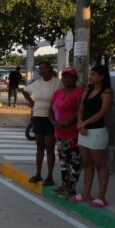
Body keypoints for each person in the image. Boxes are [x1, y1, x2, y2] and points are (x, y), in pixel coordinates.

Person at [73, 65, 113, 208]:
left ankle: (101, 197)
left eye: (94, 74)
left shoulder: (106, 92)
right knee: (87, 164)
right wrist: (80, 124)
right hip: (83, 131)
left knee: (100, 165)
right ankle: (86, 193)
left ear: (102, 77)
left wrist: (84, 123)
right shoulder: (88, 90)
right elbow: (81, 109)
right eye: (91, 74)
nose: (91, 77)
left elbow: (102, 112)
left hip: (96, 132)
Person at [22, 62, 63, 186]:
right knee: (39, 146)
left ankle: (50, 176)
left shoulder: (58, 83)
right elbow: (25, 91)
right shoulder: (36, 83)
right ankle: (38, 174)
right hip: (38, 116)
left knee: (49, 146)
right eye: (41, 68)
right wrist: (32, 104)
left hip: (52, 118)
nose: (43, 70)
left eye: (45, 68)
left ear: (51, 69)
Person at [49, 67, 83, 198]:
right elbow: (51, 109)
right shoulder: (57, 93)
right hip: (59, 132)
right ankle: (64, 184)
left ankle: (71, 187)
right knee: (63, 160)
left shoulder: (79, 92)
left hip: (73, 132)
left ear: (75, 78)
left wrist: (68, 122)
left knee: (74, 161)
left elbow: (80, 110)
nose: (67, 79)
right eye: (64, 76)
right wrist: (53, 122)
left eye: (70, 77)